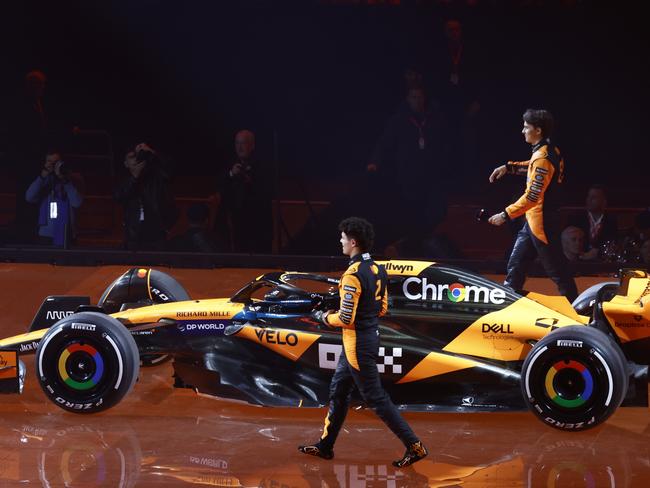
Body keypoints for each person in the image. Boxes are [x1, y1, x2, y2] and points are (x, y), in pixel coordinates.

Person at [299, 217, 428, 468]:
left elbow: (346, 318)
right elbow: (382, 309)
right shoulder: (377, 269)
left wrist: (324, 317)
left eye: (343, 238)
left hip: (357, 344)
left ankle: (415, 446)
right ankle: (326, 446)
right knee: (339, 390)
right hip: (365, 340)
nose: (341, 241)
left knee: (375, 398)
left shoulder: (352, 275)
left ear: (354, 242)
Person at [487, 108, 578, 302]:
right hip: (534, 221)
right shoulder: (550, 151)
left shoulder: (544, 157)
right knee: (516, 266)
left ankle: (580, 312)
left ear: (537, 130)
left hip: (542, 222)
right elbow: (533, 166)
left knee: (557, 271)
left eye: (526, 127)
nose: (522, 131)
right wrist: (509, 167)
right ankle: (505, 307)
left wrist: (505, 215)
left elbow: (532, 197)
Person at [368, 84, 448, 255]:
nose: (417, 101)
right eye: (413, 97)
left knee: (435, 211)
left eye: (419, 97)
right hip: (407, 174)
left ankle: (416, 242)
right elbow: (385, 142)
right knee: (410, 212)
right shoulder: (399, 119)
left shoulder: (434, 118)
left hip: (430, 174)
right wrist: (375, 161)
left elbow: (444, 144)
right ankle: (408, 245)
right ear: (407, 99)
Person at [215, 129, 273, 253]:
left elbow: (268, 190)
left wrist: (249, 180)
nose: (239, 147)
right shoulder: (230, 163)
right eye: (237, 143)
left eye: (243, 143)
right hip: (236, 222)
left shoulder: (263, 164)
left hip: (258, 222)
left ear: (252, 145)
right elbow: (220, 183)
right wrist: (231, 174)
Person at [114, 143, 177, 250]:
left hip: (157, 235)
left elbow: (170, 170)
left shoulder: (156, 177)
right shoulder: (124, 181)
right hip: (133, 235)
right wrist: (134, 177)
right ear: (126, 164)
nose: (136, 159)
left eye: (137, 156)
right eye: (132, 157)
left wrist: (152, 152)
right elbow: (119, 197)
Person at [25, 149, 83, 247]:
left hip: (66, 233)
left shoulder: (73, 179)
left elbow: (77, 203)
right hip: (45, 234)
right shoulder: (43, 181)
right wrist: (42, 177)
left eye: (56, 162)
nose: (53, 165)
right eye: (50, 162)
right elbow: (29, 197)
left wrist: (64, 180)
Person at [566, 184, 618, 260]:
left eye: (594, 197)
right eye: (588, 196)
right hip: (578, 261)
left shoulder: (611, 221)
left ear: (604, 201)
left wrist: (598, 253)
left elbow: (613, 245)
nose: (589, 200)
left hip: (602, 262)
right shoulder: (576, 218)